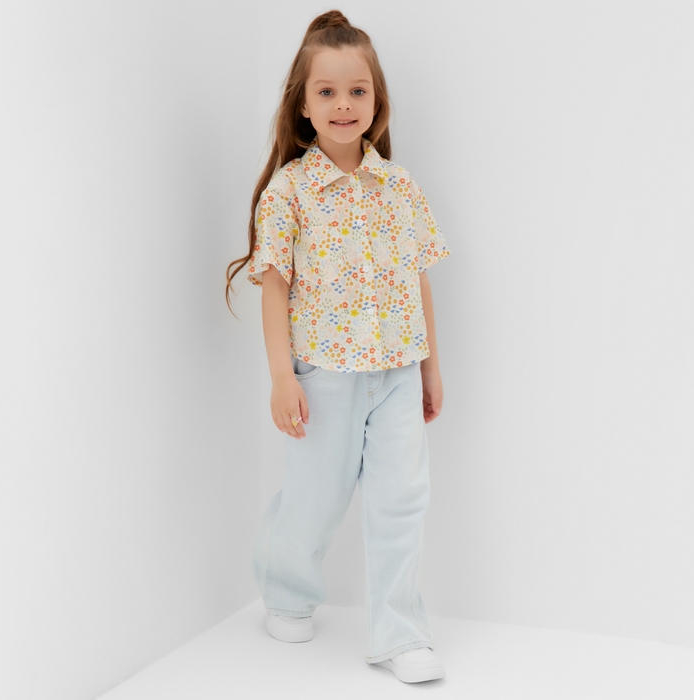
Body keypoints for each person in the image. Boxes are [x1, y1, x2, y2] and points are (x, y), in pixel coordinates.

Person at [225, 10, 451, 684]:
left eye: (357, 90)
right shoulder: (289, 191)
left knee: (402, 499)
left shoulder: (399, 186)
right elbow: (274, 287)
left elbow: (417, 278)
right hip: (324, 372)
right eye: (326, 91)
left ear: (377, 101)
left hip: (397, 370)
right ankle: (286, 592)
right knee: (315, 497)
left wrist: (431, 368)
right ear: (302, 104)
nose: (343, 104)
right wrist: (281, 377)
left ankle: (400, 634)